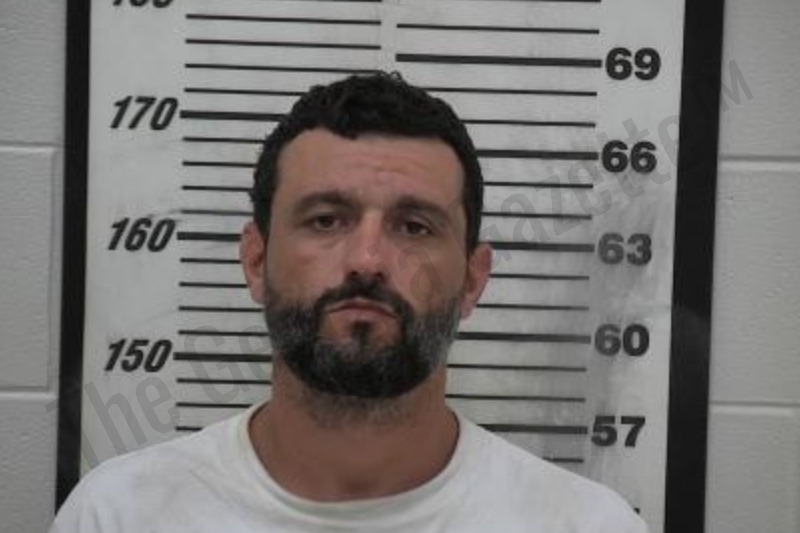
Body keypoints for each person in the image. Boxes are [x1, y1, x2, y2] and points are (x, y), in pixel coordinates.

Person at [51, 72, 648, 532]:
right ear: (255, 261)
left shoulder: (588, 526)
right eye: (325, 219)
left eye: (414, 226)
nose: (367, 259)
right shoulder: (120, 515)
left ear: (472, 280)